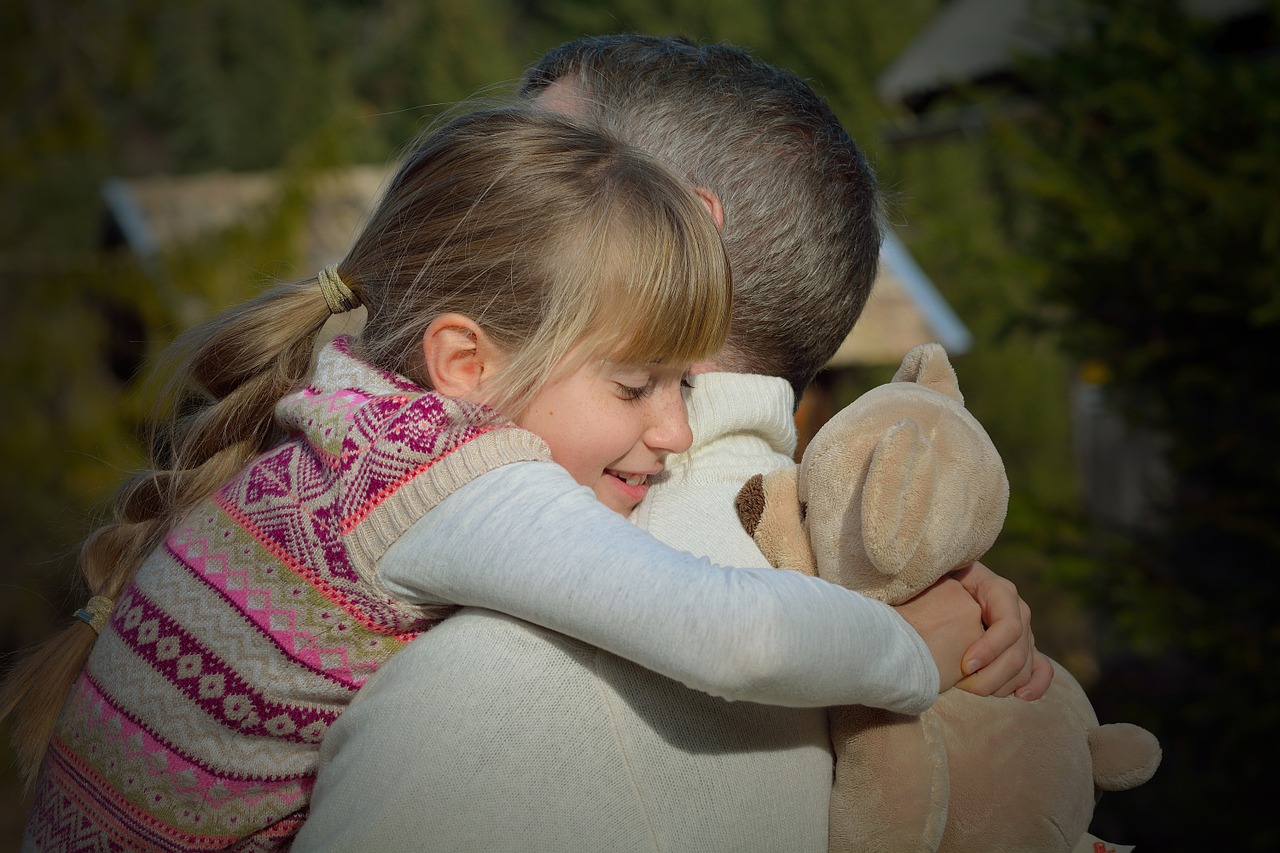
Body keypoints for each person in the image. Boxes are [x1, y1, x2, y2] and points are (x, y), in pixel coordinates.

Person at [6, 105, 979, 852]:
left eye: (683, 384)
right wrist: (910, 651)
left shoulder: (348, 419)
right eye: (636, 384)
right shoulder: (446, 479)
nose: (676, 429)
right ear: (465, 364)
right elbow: (735, 633)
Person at [295, 35, 1050, 853]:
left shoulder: (488, 690)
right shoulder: (886, 594)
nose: (473, 211)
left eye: (541, 165)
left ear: (684, 227)